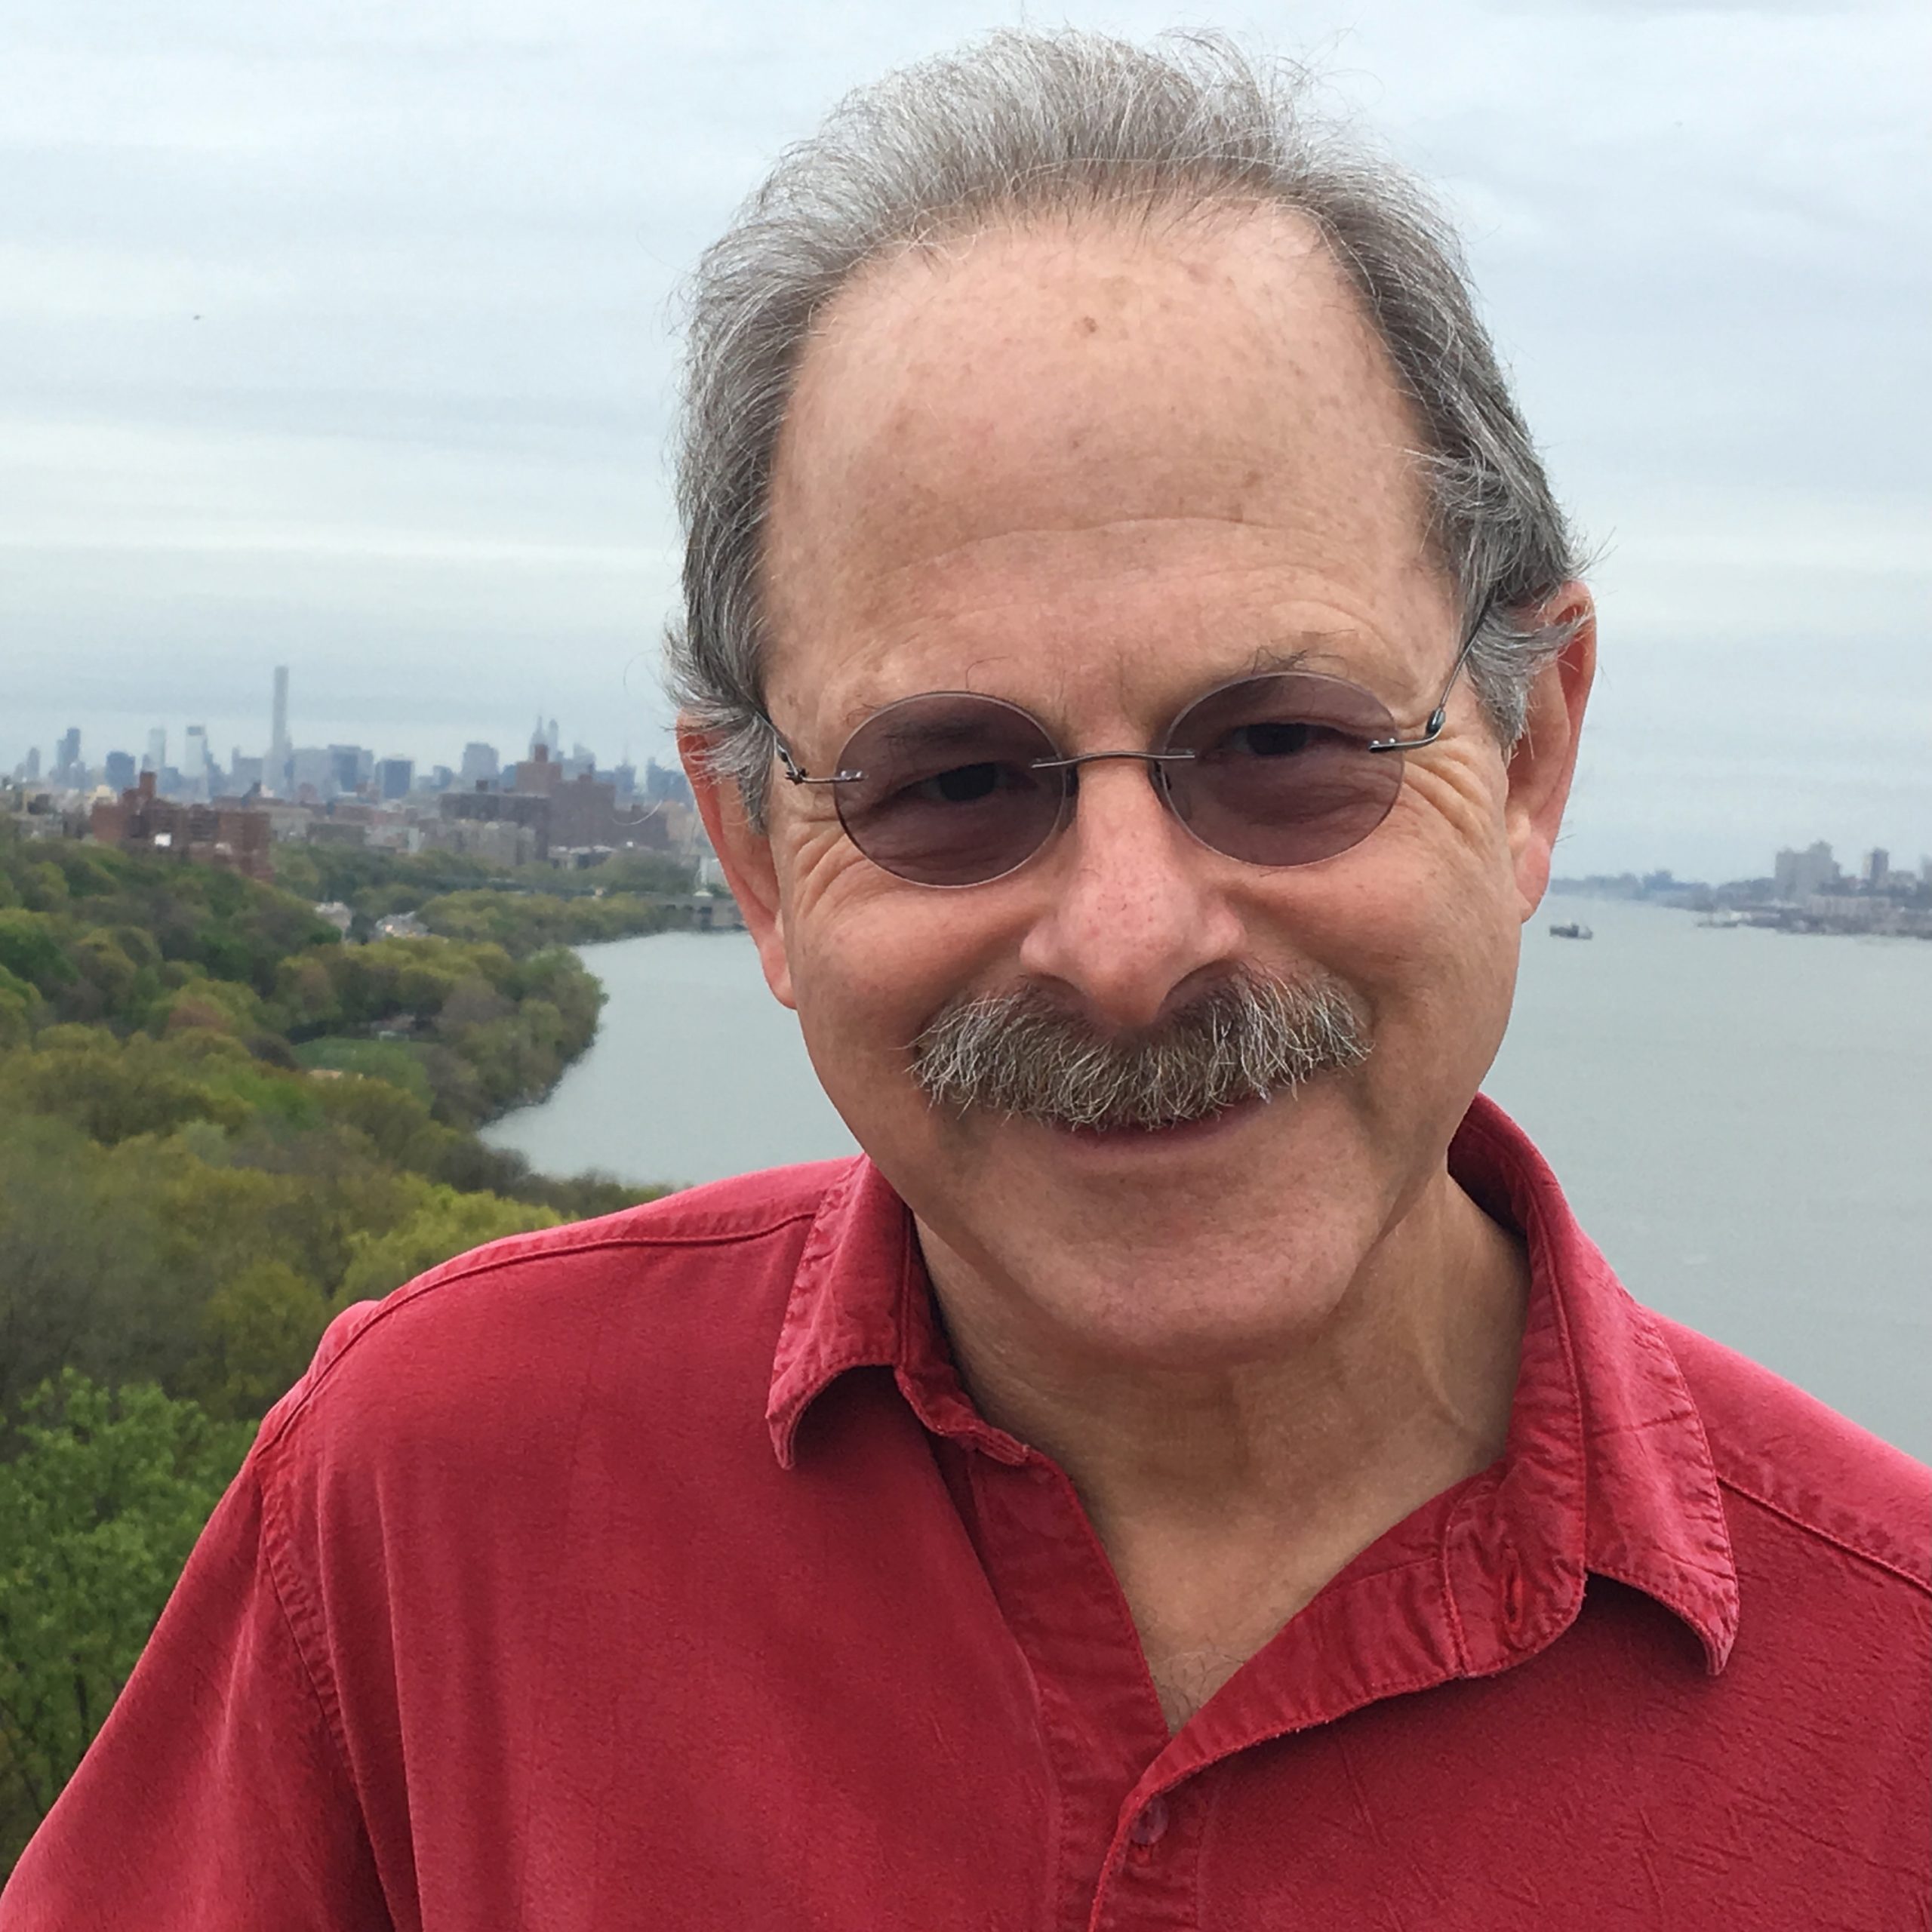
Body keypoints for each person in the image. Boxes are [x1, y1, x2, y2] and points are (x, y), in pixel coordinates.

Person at [4, 31, 1924, 1931]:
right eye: (949, 785)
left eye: (1277, 744)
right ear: (755, 853)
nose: (1124, 935)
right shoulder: (422, 1503)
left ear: (1522, 759)